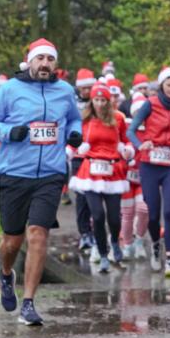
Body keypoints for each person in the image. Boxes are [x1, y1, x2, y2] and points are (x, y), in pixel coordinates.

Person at [0, 38, 82, 325]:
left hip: (50, 175)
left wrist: (74, 134)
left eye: (50, 59)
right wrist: (10, 132)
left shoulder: (64, 91)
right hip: (15, 174)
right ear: (31, 61)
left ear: (55, 64)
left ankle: (28, 303)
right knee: (12, 240)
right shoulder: (10, 90)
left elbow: (74, 119)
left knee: (38, 233)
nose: (45, 64)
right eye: (41, 59)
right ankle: (6, 273)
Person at [127, 67, 170, 277]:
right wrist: (139, 144)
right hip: (149, 164)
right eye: (168, 85)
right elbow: (131, 129)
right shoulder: (150, 104)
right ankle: (156, 246)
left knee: (169, 211)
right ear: (162, 85)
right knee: (153, 214)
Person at [68, 82, 133, 273]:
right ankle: (103, 255)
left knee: (114, 217)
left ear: (108, 101)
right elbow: (73, 140)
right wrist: (73, 150)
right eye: (96, 99)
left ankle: (114, 241)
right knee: (97, 215)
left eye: (102, 99)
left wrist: (126, 149)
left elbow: (126, 140)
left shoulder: (118, 118)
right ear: (91, 100)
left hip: (112, 171)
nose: (99, 103)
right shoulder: (84, 120)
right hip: (90, 171)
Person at [69, 68, 97, 241]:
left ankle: (96, 230)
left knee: (95, 195)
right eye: (84, 88)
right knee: (82, 195)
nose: (87, 91)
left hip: (97, 154)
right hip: (78, 154)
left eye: (90, 88)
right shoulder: (72, 103)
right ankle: (84, 232)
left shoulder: (99, 103)